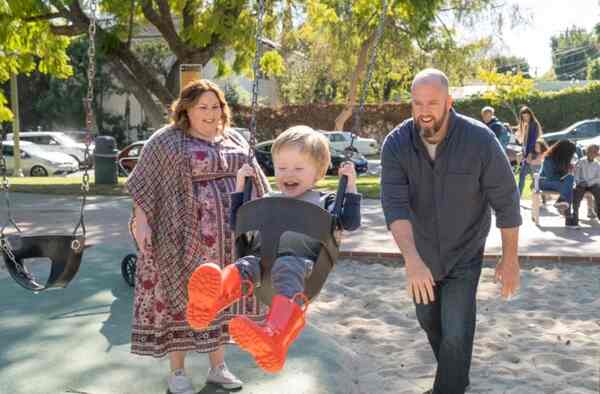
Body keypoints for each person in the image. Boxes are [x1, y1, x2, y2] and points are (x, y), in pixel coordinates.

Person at [381, 68, 521, 394]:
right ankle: (455, 378)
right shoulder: (397, 144)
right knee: (429, 321)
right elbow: (395, 207)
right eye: (417, 104)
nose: (424, 111)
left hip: (465, 251)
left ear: (449, 102)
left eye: (432, 102)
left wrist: (510, 258)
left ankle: (449, 387)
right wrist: (413, 261)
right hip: (423, 251)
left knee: (456, 330)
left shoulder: (480, 140)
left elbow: (507, 201)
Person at [127, 79, 269, 394]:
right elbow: (144, 182)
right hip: (179, 237)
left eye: (215, 106)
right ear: (186, 110)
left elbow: (258, 181)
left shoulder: (234, 137)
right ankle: (177, 373)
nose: (210, 113)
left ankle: (218, 367)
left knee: (219, 297)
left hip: (227, 240)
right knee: (182, 298)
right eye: (202, 107)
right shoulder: (166, 140)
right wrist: (141, 221)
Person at [186, 125, 362, 373]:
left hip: (303, 268)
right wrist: (240, 185)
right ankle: (211, 300)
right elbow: (237, 222)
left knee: (286, 265)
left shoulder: (326, 200)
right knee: (243, 265)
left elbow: (351, 222)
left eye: (299, 168)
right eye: (281, 168)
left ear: (319, 172)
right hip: (261, 262)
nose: (289, 174)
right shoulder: (269, 198)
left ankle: (274, 334)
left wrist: (350, 184)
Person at [538, 140, 577, 217]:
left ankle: (562, 203)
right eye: (570, 153)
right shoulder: (549, 158)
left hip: (557, 183)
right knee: (568, 187)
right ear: (564, 151)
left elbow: (565, 176)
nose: (572, 155)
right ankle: (566, 212)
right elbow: (550, 176)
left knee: (570, 181)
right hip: (544, 182)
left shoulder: (564, 160)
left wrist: (570, 170)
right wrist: (565, 175)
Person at [516, 106, 544, 195]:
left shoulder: (534, 124)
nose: (525, 118)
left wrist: (530, 154)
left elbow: (533, 140)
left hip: (532, 156)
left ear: (530, 115)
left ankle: (542, 199)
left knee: (535, 181)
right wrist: (523, 152)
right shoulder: (526, 125)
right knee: (522, 177)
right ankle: (517, 198)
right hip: (527, 156)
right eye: (523, 117)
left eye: (527, 116)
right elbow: (525, 143)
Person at [572, 144, 600, 224]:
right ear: (587, 152)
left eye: (594, 152)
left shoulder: (597, 164)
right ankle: (575, 216)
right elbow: (576, 175)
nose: (592, 153)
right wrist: (580, 182)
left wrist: (588, 183)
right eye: (590, 151)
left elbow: (598, 178)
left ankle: (598, 213)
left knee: (598, 193)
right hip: (581, 183)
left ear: (596, 154)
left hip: (592, 184)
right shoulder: (581, 162)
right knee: (576, 195)